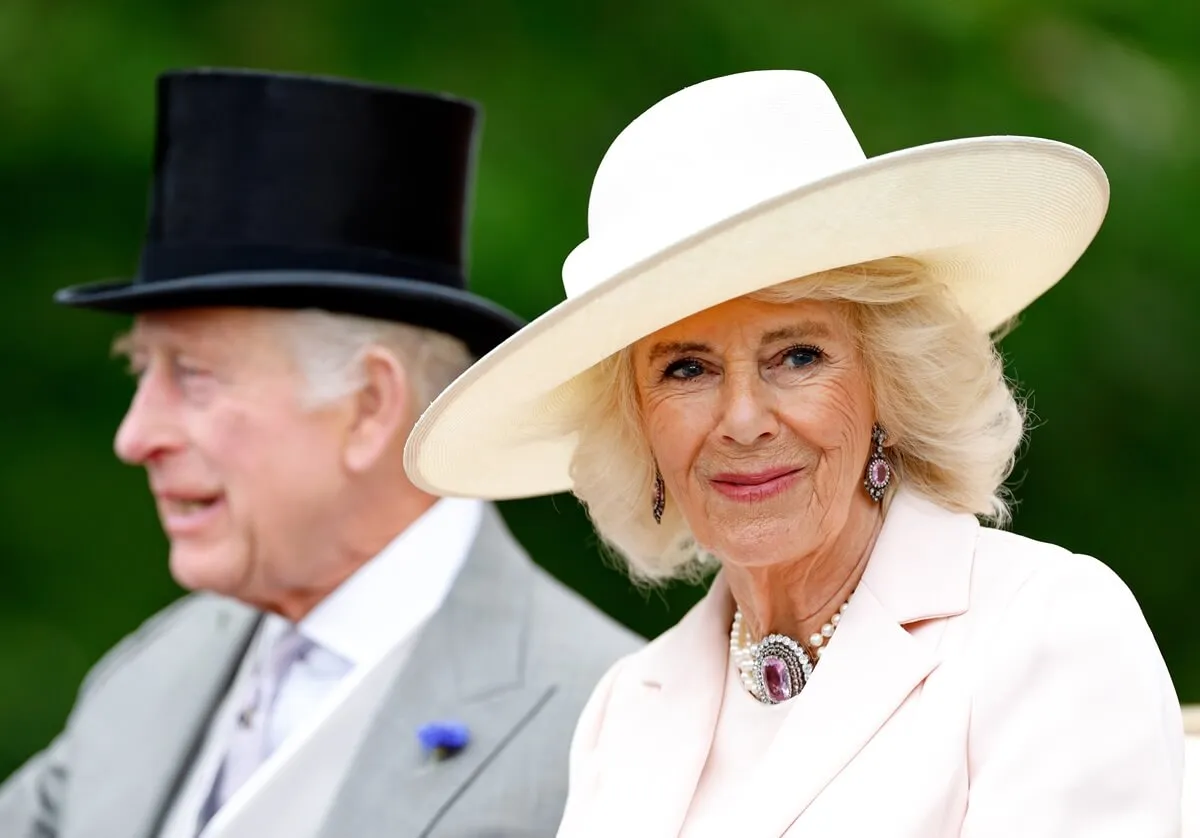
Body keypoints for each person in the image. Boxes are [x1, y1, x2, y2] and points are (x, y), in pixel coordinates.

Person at [403, 70, 1184, 836]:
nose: (743, 420)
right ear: (635, 424)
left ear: (890, 382)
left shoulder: (1047, 629)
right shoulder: (627, 707)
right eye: (687, 369)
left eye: (798, 357)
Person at [0, 68, 640, 838]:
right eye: (141, 370)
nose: (135, 437)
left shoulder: (608, 729)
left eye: (193, 376)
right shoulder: (149, 672)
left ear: (369, 406)